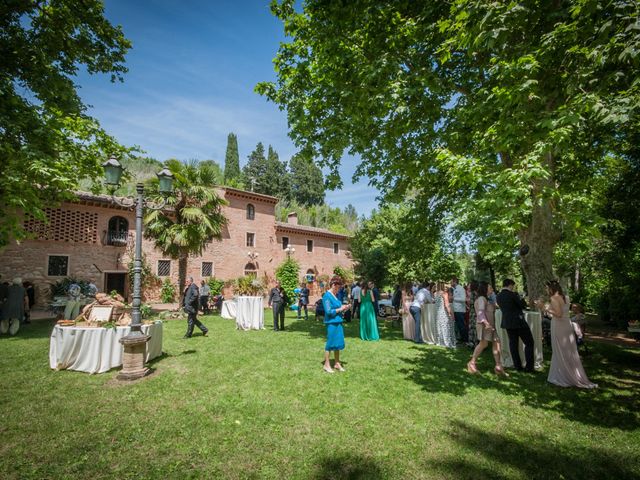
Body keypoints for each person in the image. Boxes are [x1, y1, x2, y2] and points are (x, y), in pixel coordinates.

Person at [542, 282, 597, 388]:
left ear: (551, 288)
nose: (546, 290)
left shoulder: (554, 298)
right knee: (569, 350)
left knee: (559, 350)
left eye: (547, 288)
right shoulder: (566, 297)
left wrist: (544, 308)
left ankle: (563, 376)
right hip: (567, 325)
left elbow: (558, 314)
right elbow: (564, 312)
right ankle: (567, 373)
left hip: (558, 326)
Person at [467, 282, 507, 376]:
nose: (492, 289)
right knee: (483, 343)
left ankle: (498, 366)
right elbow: (480, 313)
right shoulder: (481, 299)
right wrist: (486, 323)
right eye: (490, 288)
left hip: (491, 326)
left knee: (496, 343)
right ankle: (472, 363)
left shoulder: (488, 299)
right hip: (485, 325)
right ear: (484, 289)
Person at [496, 278, 534, 372]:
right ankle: (529, 367)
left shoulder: (499, 296)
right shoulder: (512, 295)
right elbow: (522, 305)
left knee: (513, 344)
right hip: (518, 321)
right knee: (529, 342)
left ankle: (517, 366)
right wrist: (522, 299)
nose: (513, 287)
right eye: (513, 286)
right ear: (510, 285)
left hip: (508, 322)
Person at [322, 276, 351, 373]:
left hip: (338, 322)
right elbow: (329, 311)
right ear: (333, 285)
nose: (339, 290)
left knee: (338, 343)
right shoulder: (327, 296)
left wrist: (345, 307)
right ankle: (326, 364)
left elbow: (338, 307)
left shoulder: (335, 295)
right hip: (331, 323)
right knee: (330, 344)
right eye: (338, 287)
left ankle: (337, 363)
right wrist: (340, 309)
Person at [435, 282, 456, 348]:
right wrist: (450, 313)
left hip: (438, 312)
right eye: (446, 285)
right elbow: (447, 305)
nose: (447, 287)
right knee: (446, 326)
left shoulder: (436, 293)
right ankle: (447, 342)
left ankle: (440, 341)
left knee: (440, 327)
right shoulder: (444, 294)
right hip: (444, 312)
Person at [451, 276, 468, 344]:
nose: (450, 283)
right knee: (459, 325)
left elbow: (463, 299)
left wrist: (454, 299)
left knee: (462, 326)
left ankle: (465, 339)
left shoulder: (461, 289)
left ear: (455, 282)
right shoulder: (455, 289)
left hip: (460, 310)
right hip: (456, 309)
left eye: (451, 281)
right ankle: (461, 338)